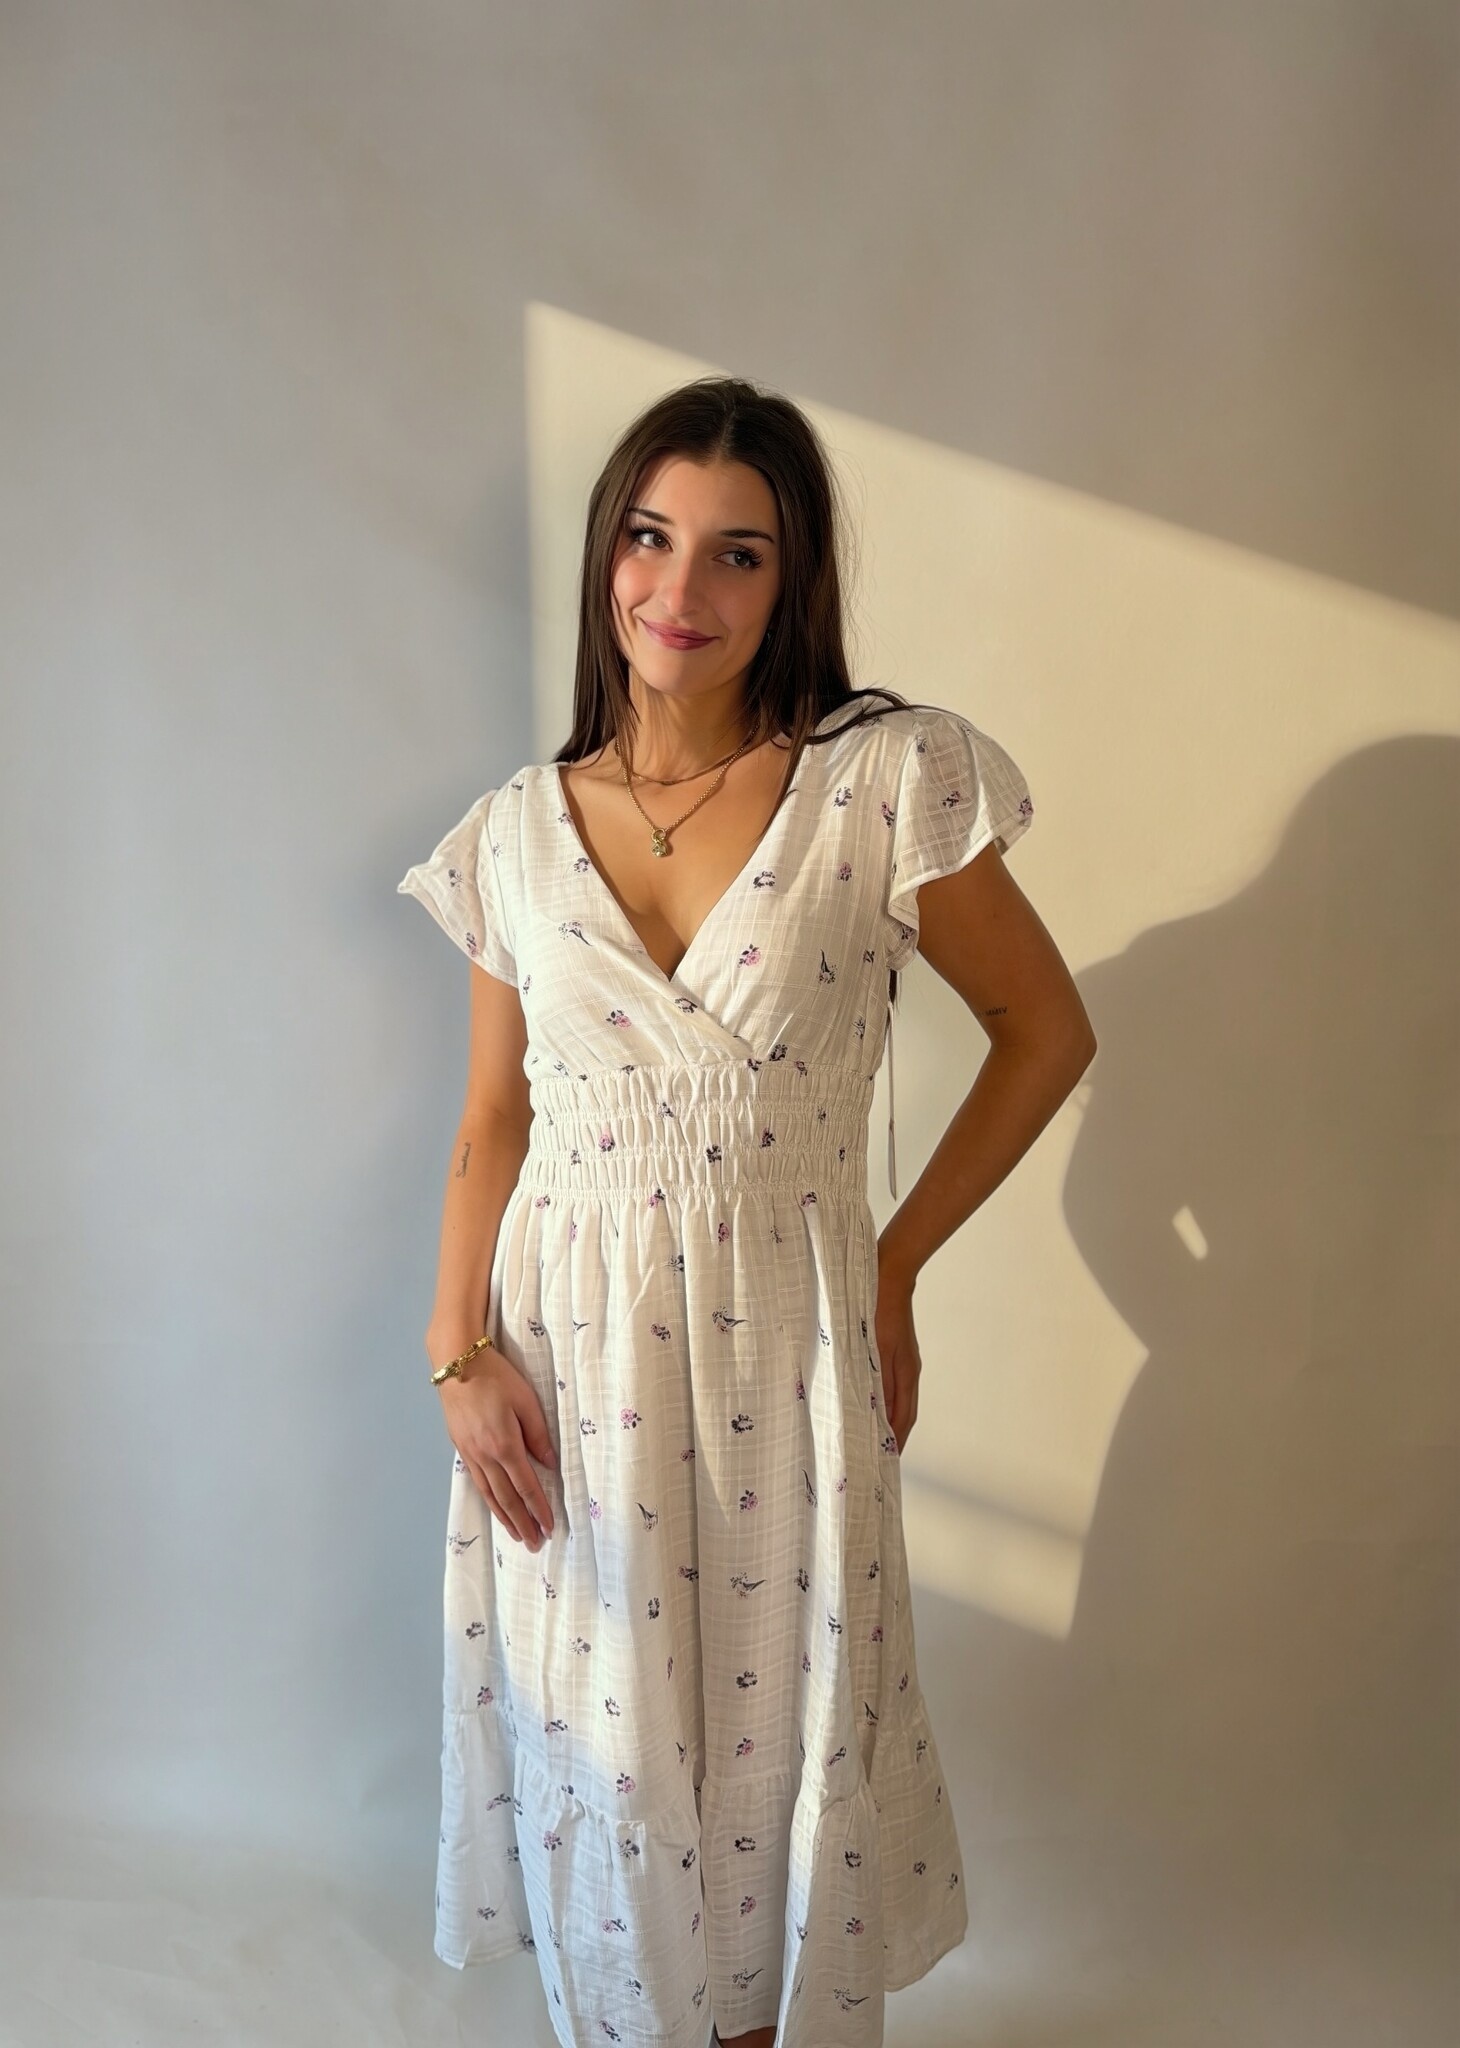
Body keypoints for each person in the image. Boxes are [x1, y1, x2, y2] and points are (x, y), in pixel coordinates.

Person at [397, 377, 1096, 2048]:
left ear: (794, 582)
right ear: (605, 554)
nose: (680, 591)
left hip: (789, 1348)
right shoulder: (512, 833)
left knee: (777, 1733)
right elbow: (495, 1118)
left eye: (738, 554)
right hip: (567, 1368)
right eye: (650, 538)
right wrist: (455, 1352)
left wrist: (892, 1266)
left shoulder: (881, 781)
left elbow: (1047, 1031)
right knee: (609, 1746)